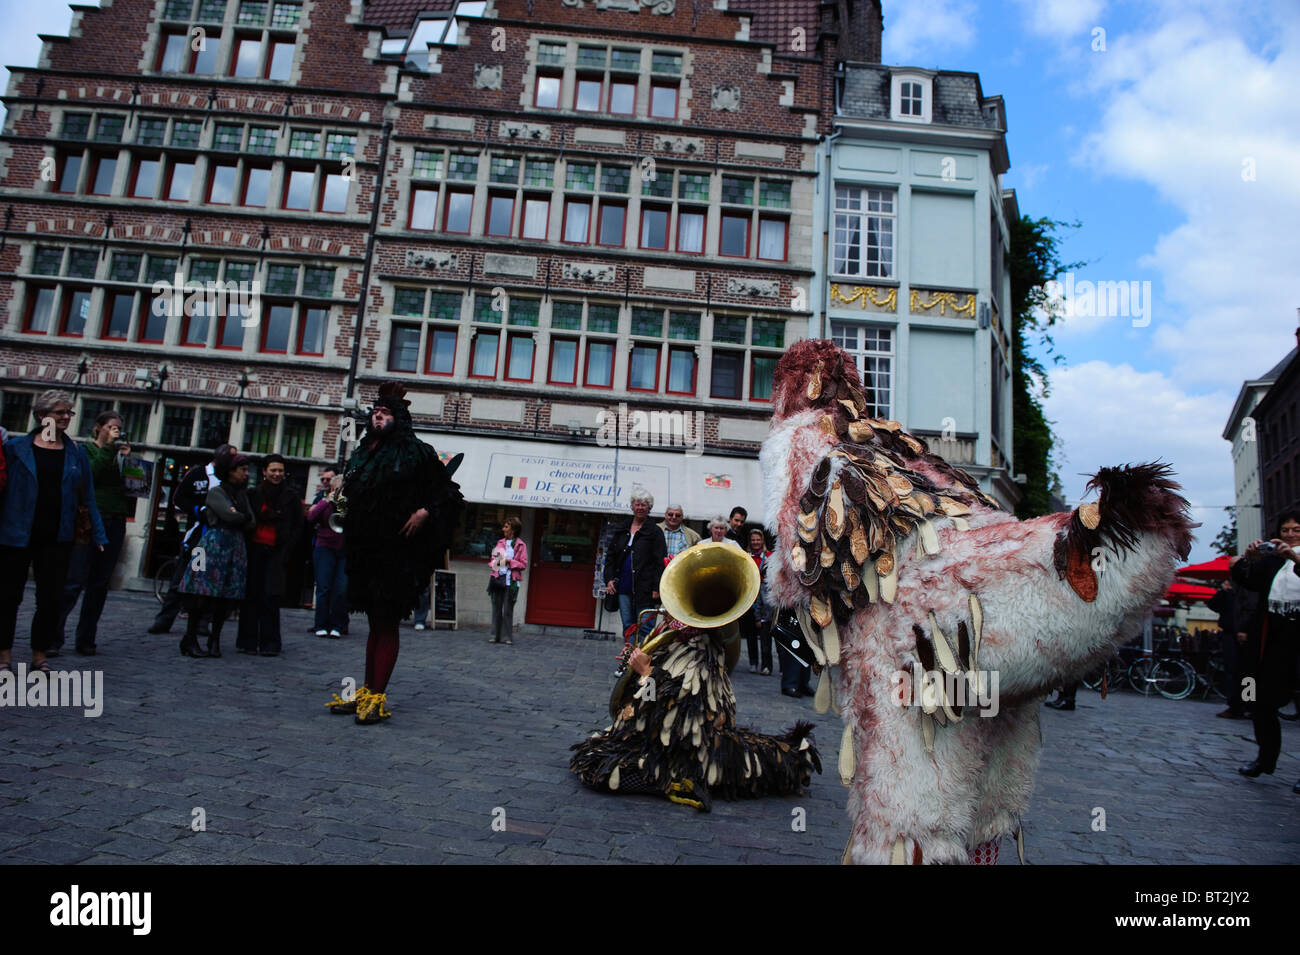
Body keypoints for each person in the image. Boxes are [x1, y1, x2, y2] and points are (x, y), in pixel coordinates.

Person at [570, 617, 821, 812]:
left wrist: (646, 672)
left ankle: (675, 781)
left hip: (686, 749)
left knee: (598, 771)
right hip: (673, 742)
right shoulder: (683, 642)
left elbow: (666, 714)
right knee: (595, 753)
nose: (666, 612)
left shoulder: (698, 652)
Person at [325, 383, 462, 724]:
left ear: (398, 418)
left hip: (397, 554)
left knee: (386, 623)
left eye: (385, 413)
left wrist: (424, 511)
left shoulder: (417, 452)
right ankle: (368, 691)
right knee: (375, 623)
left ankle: (377, 697)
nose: (377, 417)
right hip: (366, 549)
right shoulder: (362, 452)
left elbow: (448, 492)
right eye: (375, 413)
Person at [0, 390, 107, 675]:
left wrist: (99, 535)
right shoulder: (16, 448)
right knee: (8, 597)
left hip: (57, 536)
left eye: (69, 413)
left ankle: (39, 656)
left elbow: (88, 497)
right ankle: (4, 656)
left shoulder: (76, 453)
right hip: (16, 533)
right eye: (60, 412)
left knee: (50, 599)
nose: (65, 418)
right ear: (41, 415)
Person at [1231, 509, 1300, 793]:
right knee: (1260, 702)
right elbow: (1248, 581)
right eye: (1286, 530)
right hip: (1273, 637)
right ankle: (1265, 757)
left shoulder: (1291, 559)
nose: (1290, 534)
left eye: (1296, 529)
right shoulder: (1272, 561)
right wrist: (1248, 559)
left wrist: (1295, 558)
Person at [55, 411, 132, 656]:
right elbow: (91, 476)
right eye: (111, 427)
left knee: (99, 585)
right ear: (98, 428)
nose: (116, 431)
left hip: (115, 520)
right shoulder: (84, 452)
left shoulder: (119, 455)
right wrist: (108, 448)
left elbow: (130, 488)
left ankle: (86, 637)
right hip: (89, 521)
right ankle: (53, 636)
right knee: (74, 581)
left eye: (119, 427)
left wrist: (132, 468)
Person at [148, 443, 237, 634]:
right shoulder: (198, 474)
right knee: (181, 580)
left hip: (218, 541)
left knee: (205, 583)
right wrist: (198, 510)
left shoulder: (229, 480)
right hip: (199, 540)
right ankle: (164, 620)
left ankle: (201, 622)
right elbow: (179, 498)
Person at [176, 451, 253, 658]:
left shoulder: (242, 496)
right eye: (242, 470)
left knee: (226, 596)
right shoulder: (217, 492)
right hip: (211, 545)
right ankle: (190, 637)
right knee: (201, 592)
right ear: (230, 472)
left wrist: (240, 516)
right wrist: (239, 516)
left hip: (234, 546)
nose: (246, 474)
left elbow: (250, 521)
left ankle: (214, 638)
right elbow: (228, 515)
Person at [236, 453, 303, 657]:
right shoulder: (252, 494)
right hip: (255, 549)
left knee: (270, 596)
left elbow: (298, 526)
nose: (276, 474)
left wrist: (287, 548)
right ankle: (247, 641)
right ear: (264, 472)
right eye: (273, 470)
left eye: (280, 471)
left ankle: (270, 642)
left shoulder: (291, 496)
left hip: (277, 551)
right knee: (251, 595)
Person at [602, 489, 666, 643]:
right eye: (637, 504)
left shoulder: (655, 532)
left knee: (645, 628)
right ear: (632, 506)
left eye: (644, 505)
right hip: (623, 587)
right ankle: (629, 663)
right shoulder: (622, 529)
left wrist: (657, 588)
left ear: (649, 508)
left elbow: (660, 561)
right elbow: (611, 556)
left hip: (645, 590)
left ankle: (642, 663)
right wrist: (609, 578)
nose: (640, 508)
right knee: (628, 626)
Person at [306, 472, 347, 639]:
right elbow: (311, 517)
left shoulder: (348, 504)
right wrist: (326, 501)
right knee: (323, 588)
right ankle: (321, 624)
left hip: (344, 550)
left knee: (341, 589)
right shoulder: (325, 503)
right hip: (324, 548)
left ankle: (337, 625)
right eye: (337, 490)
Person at [487, 515, 528, 645]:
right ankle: (494, 635)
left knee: (508, 610)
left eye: (506, 526)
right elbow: (493, 562)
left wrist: (510, 562)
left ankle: (507, 637)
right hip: (498, 579)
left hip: (512, 581)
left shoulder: (521, 545)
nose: (503, 529)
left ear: (513, 530)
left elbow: (523, 564)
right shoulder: (500, 543)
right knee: (496, 609)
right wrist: (498, 562)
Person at [744, 527, 774, 675]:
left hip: (764, 598)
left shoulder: (769, 556)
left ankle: (766, 664)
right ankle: (753, 662)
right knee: (750, 634)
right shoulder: (745, 557)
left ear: (762, 541)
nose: (756, 542)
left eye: (758, 539)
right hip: (750, 598)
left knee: (765, 634)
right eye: (753, 540)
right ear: (750, 542)